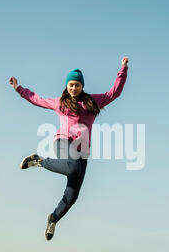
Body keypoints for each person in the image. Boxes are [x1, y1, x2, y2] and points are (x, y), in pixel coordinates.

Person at [9, 57, 129, 240]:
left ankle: (53, 218)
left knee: (73, 195)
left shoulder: (93, 102)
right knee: (72, 168)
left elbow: (114, 93)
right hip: (63, 141)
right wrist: (19, 89)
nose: (73, 88)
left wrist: (123, 69)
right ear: (67, 86)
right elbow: (37, 99)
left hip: (82, 150)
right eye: (71, 85)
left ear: (82, 86)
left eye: (77, 85)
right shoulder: (60, 103)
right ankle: (38, 160)